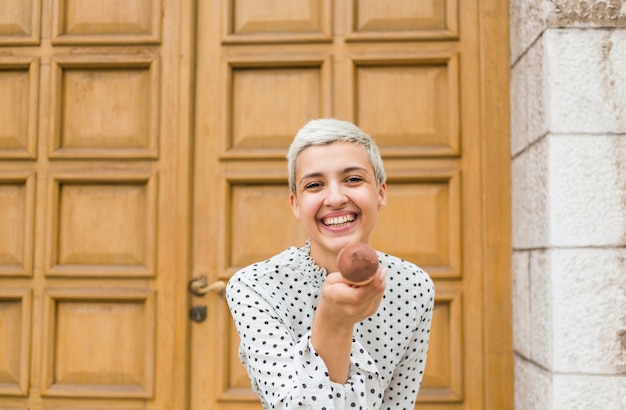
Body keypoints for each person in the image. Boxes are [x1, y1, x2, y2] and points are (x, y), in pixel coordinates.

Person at [226, 118, 435, 409]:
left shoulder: (414, 286)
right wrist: (334, 321)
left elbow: (398, 403)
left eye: (353, 179)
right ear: (296, 204)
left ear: (380, 193)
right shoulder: (255, 287)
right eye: (314, 184)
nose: (335, 198)